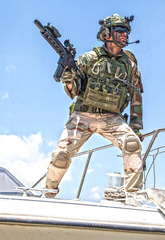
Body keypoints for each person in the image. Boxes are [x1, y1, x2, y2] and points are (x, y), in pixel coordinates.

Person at [45, 14, 144, 198]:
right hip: (83, 115)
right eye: (121, 31)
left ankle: (134, 196)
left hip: (112, 118)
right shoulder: (89, 58)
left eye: (126, 33)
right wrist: (68, 80)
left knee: (132, 143)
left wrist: (136, 128)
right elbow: (74, 91)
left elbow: (136, 96)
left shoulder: (130, 66)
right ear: (107, 34)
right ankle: (48, 193)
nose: (125, 36)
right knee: (61, 155)